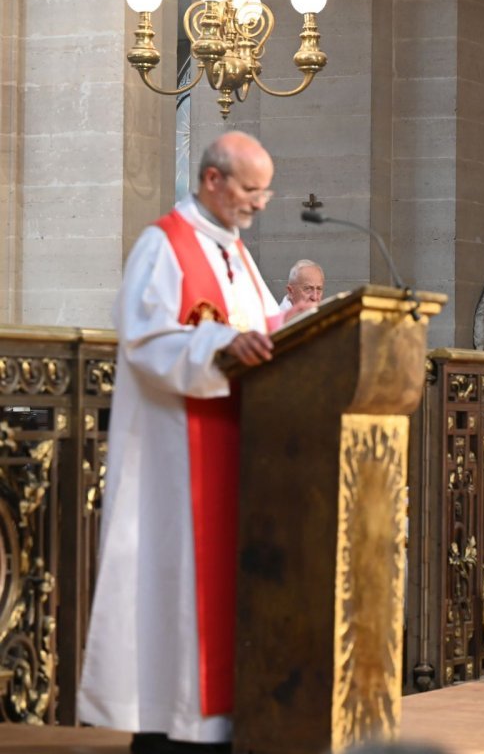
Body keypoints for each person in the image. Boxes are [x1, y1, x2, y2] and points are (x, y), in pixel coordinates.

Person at [78, 131, 280, 753]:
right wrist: (219, 347)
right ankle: (173, 732)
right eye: (251, 189)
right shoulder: (162, 245)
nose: (261, 203)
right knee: (177, 595)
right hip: (175, 461)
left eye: (266, 191)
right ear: (213, 180)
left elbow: (266, 326)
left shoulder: (238, 256)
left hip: (235, 452)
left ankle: (219, 727)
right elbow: (142, 341)